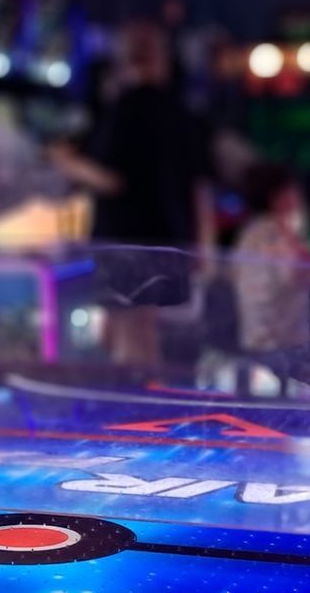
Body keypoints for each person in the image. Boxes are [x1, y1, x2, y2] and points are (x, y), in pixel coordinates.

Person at [50, 21, 212, 367]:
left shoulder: (126, 108)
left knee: (128, 339)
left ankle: (133, 412)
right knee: (146, 333)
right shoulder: (180, 111)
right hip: (168, 241)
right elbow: (199, 185)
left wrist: (67, 163)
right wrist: (202, 246)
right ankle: (151, 410)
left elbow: (112, 179)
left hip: (125, 242)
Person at [232, 162, 310, 353]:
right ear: (277, 198)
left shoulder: (248, 233)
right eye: (294, 192)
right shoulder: (276, 237)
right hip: (278, 344)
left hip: (254, 338)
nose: (299, 200)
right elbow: (298, 276)